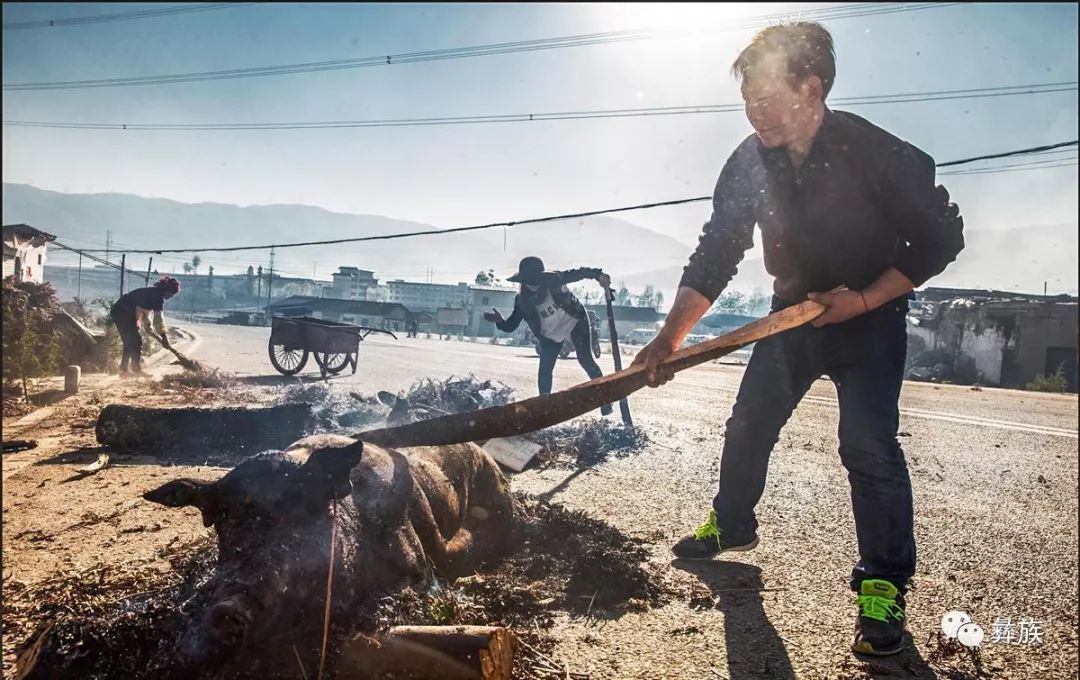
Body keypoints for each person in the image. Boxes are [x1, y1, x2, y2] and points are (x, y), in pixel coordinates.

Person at [631, 22, 964, 656]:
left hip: (868, 318)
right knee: (749, 422)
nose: (756, 114)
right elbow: (717, 251)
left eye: (768, 97)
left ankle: (883, 586)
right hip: (790, 319)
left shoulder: (877, 152)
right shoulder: (749, 161)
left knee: (867, 446)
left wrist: (863, 299)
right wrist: (671, 336)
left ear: (811, 88)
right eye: (747, 102)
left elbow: (943, 238)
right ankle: (731, 525)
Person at [484, 256, 614, 415]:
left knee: (585, 359)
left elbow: (579, 273)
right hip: (550, 335)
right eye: (529, 282)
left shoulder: (554, 279)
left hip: (574, 320)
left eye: (537, 280)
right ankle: (545, 408)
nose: (534, 285)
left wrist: (598, 275)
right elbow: (511, 325)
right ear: (523, 281)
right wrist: (499, 321)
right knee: (545, 370)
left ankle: (604, 399)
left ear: (542, 276)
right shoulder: (522, 301)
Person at [110, 276, 182, 376]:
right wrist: (164, 337)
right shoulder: (158, 297)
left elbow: (143, 310)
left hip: (120, 311)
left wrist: (148, 325)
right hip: (122, 311)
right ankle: (136, 370)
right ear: (166, 290)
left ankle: (124, 370)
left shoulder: (154, 293)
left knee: (129, 341)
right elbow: (159, 319)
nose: (171, 296)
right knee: (135, 340)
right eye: (171, 294)